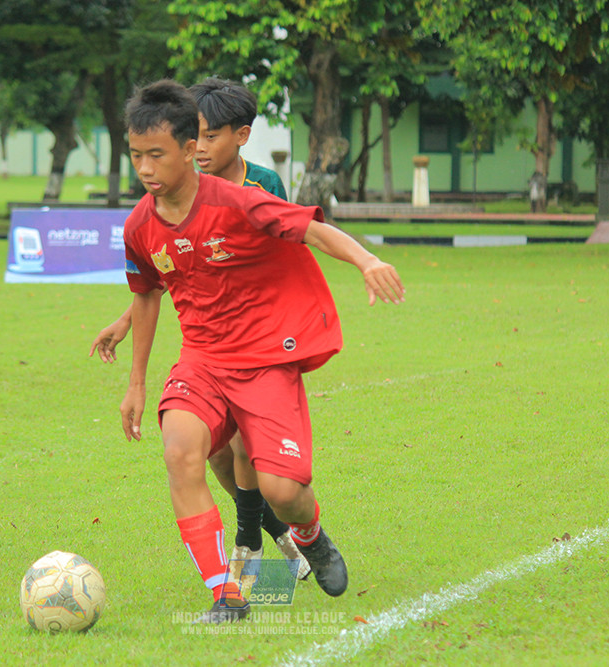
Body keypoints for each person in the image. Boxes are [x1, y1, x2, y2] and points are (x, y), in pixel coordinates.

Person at [118, 79, 404, 623]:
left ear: (188, 148)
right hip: (201, 361)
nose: (146, 168)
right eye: (136, 156)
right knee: (181, 452)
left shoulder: (241, 201)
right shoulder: (138, 225)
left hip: (265, 361)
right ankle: (226, 594)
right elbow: (147, 294)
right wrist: (135, 383)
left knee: (283, 490)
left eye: (156, 154)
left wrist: (366, 260)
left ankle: (310, 534)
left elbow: (313, 231)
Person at [91, 78, 309, 583]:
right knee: (210, 452)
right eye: (200, 138)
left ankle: (250, 542)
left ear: (240, 137)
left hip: (262, 342)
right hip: (212, 346)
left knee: (242, 450)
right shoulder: (173, 198)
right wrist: (128, 320)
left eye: (212, 138)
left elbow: (260, 263)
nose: (204, 149)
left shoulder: (259, 189)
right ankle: (277, 535)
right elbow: (176, 268)